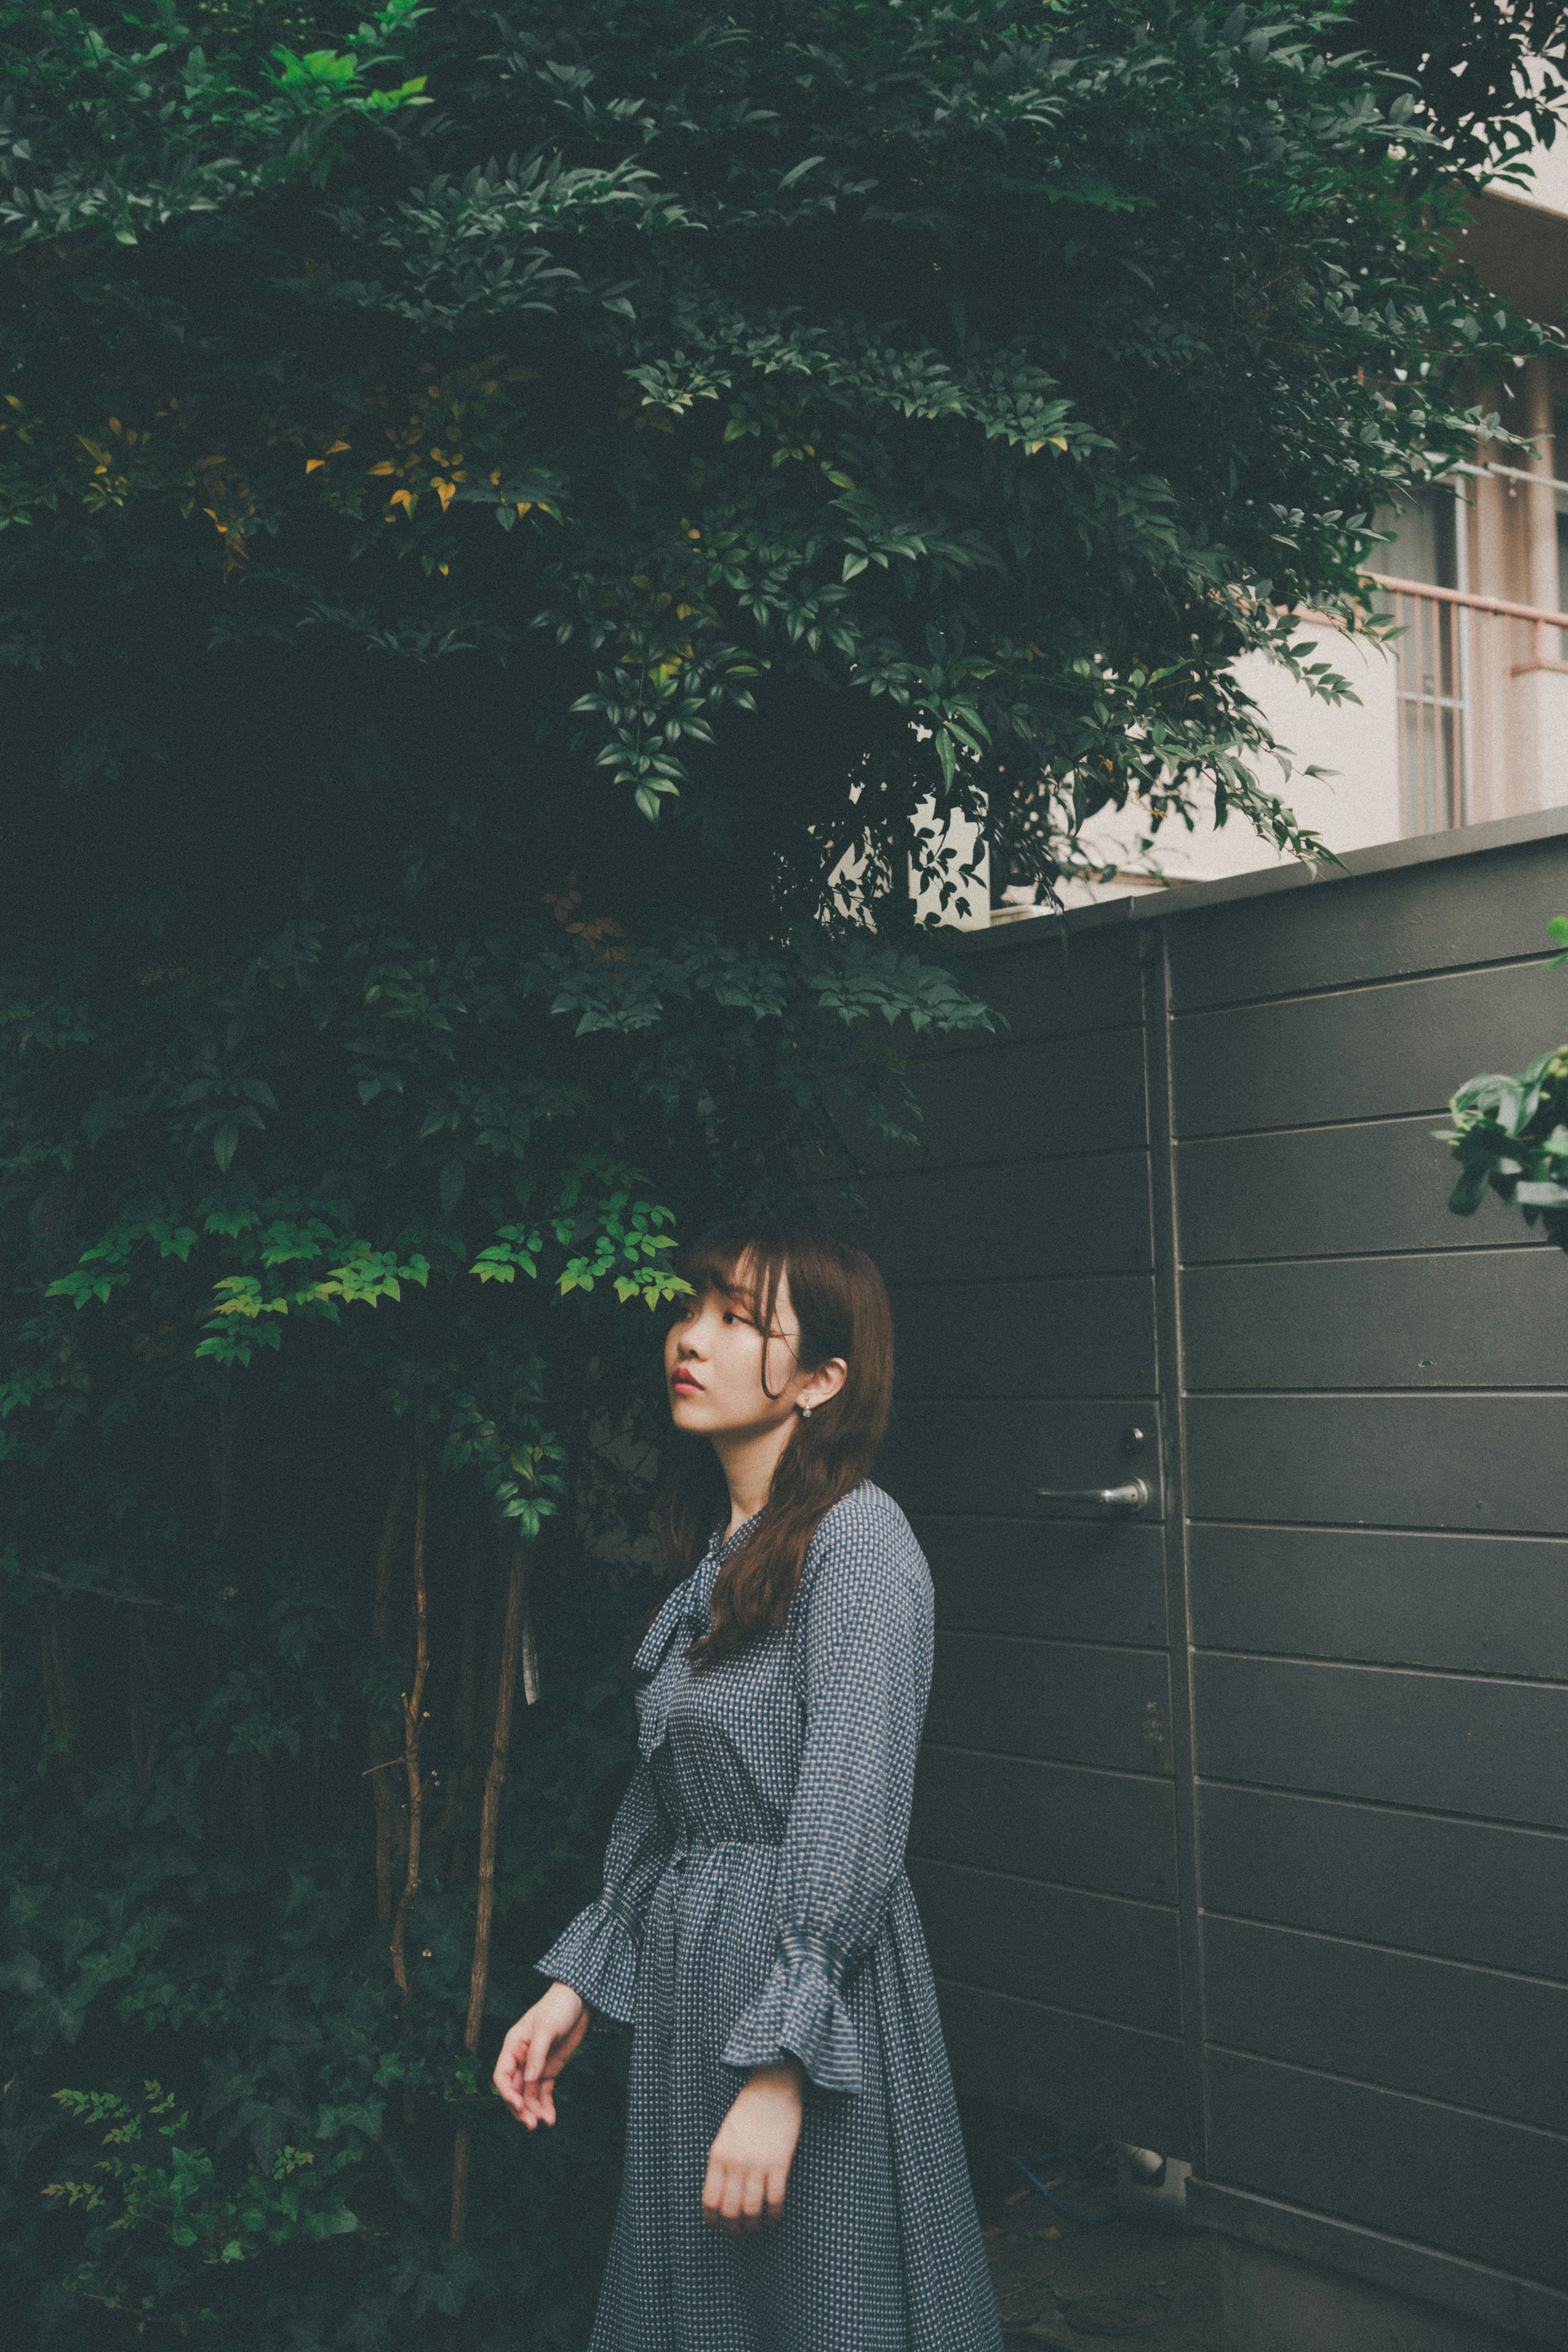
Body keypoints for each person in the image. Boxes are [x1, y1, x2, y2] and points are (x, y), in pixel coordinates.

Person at [493, 1220, 1002, 2352]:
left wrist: (782, 2069)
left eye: (737, 1319)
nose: (692, 1338)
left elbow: (854, 1805)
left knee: (818, 2304)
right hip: (694, 1980)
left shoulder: (859, 1541)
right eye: (692, 1310)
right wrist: (580, 1981)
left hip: (805, 1998)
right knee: (704, 2308)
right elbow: (666, 1797)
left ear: (822, 1379)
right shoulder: (723, 1558)